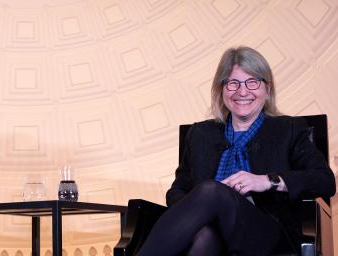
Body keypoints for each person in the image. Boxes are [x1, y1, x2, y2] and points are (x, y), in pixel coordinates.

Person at [137, 46, 335, 255]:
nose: (242, 91)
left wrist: (267, 181)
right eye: (233, 83)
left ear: (267, 89)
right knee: (204, 233)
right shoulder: (200, 134)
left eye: (253, 82)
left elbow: (325, 181)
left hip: (267, 233)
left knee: (211, 191)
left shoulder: (288, 129)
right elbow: (176, 193)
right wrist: (204, 203)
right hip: (213, 232)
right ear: (220, 89)